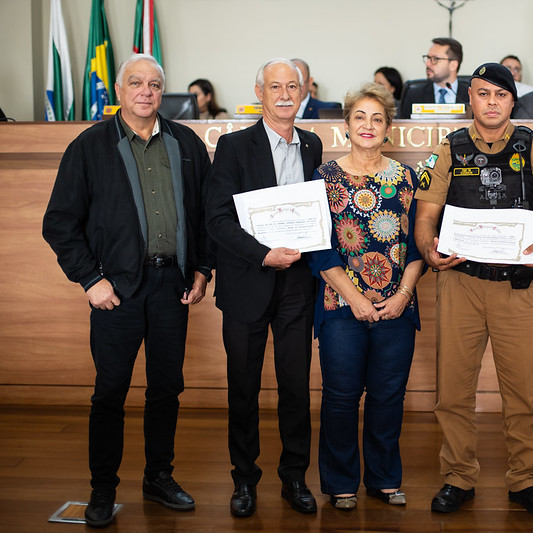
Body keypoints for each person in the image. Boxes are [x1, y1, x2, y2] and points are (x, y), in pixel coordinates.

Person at [42, 53, 213, 528]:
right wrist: (90, 281)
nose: (146, 91)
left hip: (172, 288)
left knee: (165, 389)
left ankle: (159, 477)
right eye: (136, 83)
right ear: (119, 92)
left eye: (155, 84)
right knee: (110, 391)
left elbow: (205, 217)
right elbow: (59, 223)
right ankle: (102, 488)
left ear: (163, 93)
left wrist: (202, 270)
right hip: (116, 289)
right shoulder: (90, 146)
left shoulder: (186, 143)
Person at [414, 63, 533, 516]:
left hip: (516, 288)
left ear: (511, 101)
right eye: (483, 94)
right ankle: (458, 478)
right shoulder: (449, 150)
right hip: (460, 283)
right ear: (472, 100)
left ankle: (526, 481)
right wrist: (428, 249)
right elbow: (425, 218)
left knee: (522, 393)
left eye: (500, 95)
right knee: (452, 392)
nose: (492, 102)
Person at [205, 58, 323, 517]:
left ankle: (294, 477)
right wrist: (262, 254)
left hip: (298, 286)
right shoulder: (234, 147)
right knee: (243, 388)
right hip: (247, 283)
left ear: (304, 91)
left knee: (296, 386)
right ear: (260, 92)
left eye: (292, 86)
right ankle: (244, 480)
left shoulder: (312, 144)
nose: (285, 94)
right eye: (275, 86)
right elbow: (216, 220)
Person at [307, 83, 424, 511]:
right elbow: (320, 249)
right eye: (360, 117)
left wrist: (403, 295)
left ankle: (383, 479)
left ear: (389, 128)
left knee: (388, 396)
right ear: (346, 126)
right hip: (340, 307)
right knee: (340, 397)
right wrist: (355, 298)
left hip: (397, 306)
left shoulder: (407, 179)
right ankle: (340, 483)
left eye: (377, 118)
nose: (368, 125)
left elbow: (417, 246)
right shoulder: (323, 178)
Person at [398, 37, 469, 119]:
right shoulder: (414, 95)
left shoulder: (471, 95)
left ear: (453, 65)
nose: (428, 64)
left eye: (435, 59)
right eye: (428, 58)